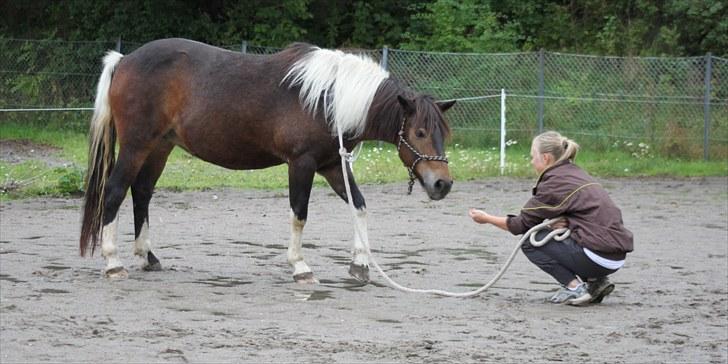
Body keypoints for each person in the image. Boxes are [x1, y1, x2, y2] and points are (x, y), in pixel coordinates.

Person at [469, 131, 633, 305]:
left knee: (530, 241)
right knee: (554, 232)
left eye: (533, 157)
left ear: (546, 158)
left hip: (597, 257)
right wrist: (568, 222)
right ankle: (596, 282)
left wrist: (486, 218)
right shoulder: (575, 173)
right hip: (616, 257)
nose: (531, 161)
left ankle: (575, 288)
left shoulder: (553, 184)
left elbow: (520, 226)